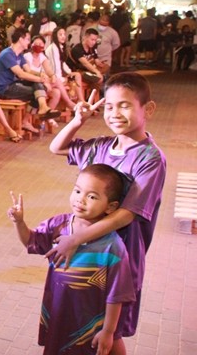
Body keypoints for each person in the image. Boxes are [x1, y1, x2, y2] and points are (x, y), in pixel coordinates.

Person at [49, 72, 166, 341]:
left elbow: (126, 214)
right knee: (87, 326)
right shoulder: (99, 146)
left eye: (124, 105)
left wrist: (75, 238)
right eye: (109, 106)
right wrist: (78, 121)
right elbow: (56, 147)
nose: (114, 114)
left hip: (119, 257)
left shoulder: (150, 158)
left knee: (109, 332)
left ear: (148, 109)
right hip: (88, 251)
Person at [7, 164, 135, 355]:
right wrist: (19, 223)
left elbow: (116, 295)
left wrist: (108, 332)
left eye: (92, 196)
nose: (80, 199)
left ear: (111, 207)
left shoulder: (112, 247)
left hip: (90, 324)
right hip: (59, 311)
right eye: (77, 191)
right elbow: (32, 242)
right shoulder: (59, 226)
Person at [0, 28, 61, 134]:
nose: (29, 42)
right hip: (4, 89)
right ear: (21, 39)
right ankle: (31, 116)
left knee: (38, 88)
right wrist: (40, 79)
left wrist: (40, 75)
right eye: (28, 39)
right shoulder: (7, 54)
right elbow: (21, 74)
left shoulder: (19, 54)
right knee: (38, 91)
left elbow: (28, 70)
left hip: (14, 84)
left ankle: (42, 108)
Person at [23, 35, 62, 128]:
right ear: (31, 45)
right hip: (30, 83)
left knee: (57, 92)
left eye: (40, 43)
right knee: (39, 91)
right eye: (36, 43)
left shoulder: (42, 57)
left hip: (41, 82)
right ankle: (46, 116)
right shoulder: (27, 56)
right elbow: (28, 72)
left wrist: (52, 76)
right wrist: (43, 79)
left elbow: (48, 70)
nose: (38, 45)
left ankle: (46, 116)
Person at [45, 26, 82, 109]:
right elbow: (55, 68)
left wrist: (69, 73)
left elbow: (62, 63)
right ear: (55, 36)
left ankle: (81, 100)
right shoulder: (53, 48)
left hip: (60, 75)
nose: (63, 36)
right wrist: (63, 79)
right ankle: (69, 103)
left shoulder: (60, 47)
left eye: (64, 34)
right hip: (53, 77)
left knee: (77, 75)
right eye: (60, 34)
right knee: (67, 81)